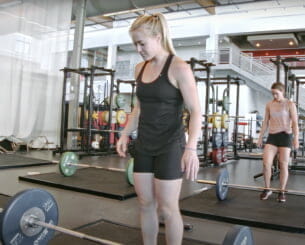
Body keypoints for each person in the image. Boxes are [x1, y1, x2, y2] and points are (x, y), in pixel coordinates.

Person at [116, 13, 201, 245]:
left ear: (158, 36)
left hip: (170, 146)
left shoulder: (179, 68)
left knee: (167, 208)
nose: (138, 49)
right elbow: (139, 108)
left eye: (141, 43)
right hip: (144, 144)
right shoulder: (139, 69)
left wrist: (191, 149)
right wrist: (125, 133)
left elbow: (195, 112)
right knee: (145, 204)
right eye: (135, 44)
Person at [257, 82, 299, 203]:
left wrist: (296, 138)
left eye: (276, 93)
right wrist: (260, 137)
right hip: (272, 136)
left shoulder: (290, 104)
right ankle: (267, 189)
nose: (274, 96)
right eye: (273, 93)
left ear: (282, 92)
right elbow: (265, 122)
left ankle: (281, 191)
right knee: (266, 163)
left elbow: (295, 123)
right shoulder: (269, 104)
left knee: (283, 164)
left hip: (285, 136)